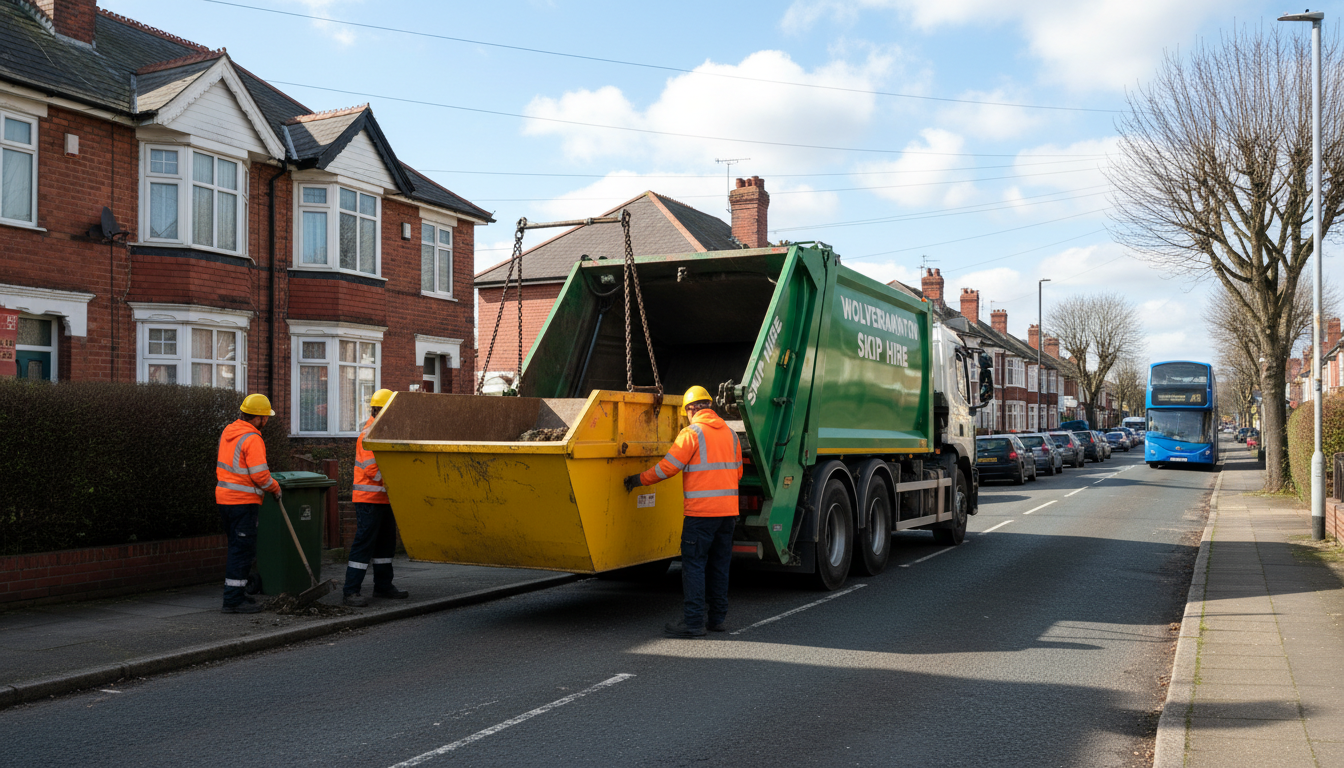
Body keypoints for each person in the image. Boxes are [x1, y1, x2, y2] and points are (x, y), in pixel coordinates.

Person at [624, 385, 743, 638]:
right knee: (720, 566)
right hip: (728, 515)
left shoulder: (691, 433)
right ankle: (717, 619)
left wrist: (639, 480)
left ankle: (692, 622)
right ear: (709, 406)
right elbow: (738, 473)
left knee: (694, 566)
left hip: (700, 515)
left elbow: (668, 467)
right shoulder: (732, 435)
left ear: (691, 409)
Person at [216, 394, 282, 614]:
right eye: (266, 417)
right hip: (243, 502)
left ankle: (238, 592)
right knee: (241, 551)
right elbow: (260, 476)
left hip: (225, 499)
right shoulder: (252, 438)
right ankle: (233, 600)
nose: (267, 421)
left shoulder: (229, 431)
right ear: (259, 418)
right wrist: (275, 487)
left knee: (237, 547)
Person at [344, 389, 408, 607]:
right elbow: (373, 470)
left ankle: (383, 586)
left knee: (385, 547)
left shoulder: (382, 430)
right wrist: (396, 480)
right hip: (369, 500)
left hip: (382, 499)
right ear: (383, 410)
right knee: (364, 545)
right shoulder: (371, 432)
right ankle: (351, 591)